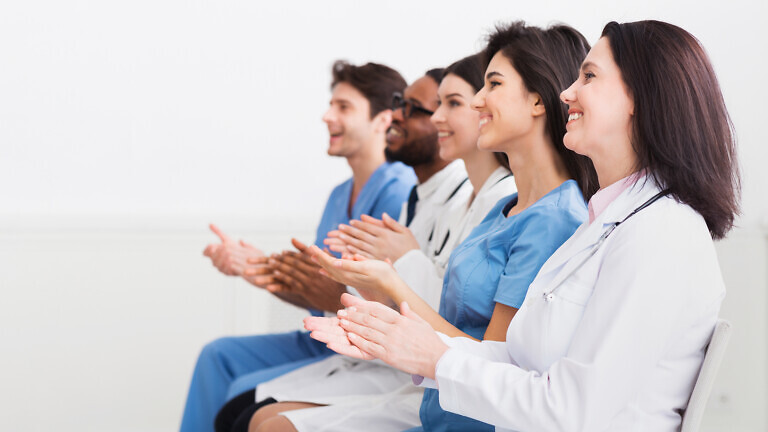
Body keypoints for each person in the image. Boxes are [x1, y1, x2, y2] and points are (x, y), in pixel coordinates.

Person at [311, 20, 740, 432]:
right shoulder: (606, 222)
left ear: (641, 98)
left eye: (588, 77)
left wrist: (434, 357)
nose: (567, 93)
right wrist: (399, 341)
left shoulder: (661, 235)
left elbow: (571, 410)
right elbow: (522, 365)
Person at [306, 22, 598, 431]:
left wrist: (394, 286)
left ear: (537, 100)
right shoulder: (507, 208)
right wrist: (381, 291)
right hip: (439, 411)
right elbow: (455, 326)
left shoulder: (554, 220)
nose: (478, 102)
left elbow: (492, 363)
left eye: (492, 85)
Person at [234, 54, 517, 432]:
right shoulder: (442, 199)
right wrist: (298, 277)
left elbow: (463, 320)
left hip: (430, 374)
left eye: (450, 104)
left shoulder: (505, 204)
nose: (434, 118)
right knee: (245, 410)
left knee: (259, 420)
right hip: (398, 361)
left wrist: (386, 272)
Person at [180, 60, 416, 432]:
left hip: (359, 352)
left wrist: (294, 278)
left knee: (242, 391)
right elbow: (316, 290)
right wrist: (257, 267)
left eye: (344, 107)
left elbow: (377, 299)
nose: (327, 116)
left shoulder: (401, 191)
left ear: (382, 120)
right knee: (218, 356)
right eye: (331, 104)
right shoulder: (339, 195)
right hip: (318, 336)